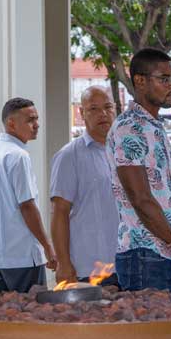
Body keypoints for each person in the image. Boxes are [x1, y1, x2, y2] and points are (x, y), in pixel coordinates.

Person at [108, 48, 171, 291]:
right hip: (142, 254)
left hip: (160, 252)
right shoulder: (130, 128)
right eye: (164, 79)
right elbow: (141, 199)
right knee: (146, 318)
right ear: (140, 81)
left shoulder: (152, 125)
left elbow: (166, 188)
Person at [0, 97, 57, 293]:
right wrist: (48, 246)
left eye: (36, 119)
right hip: (22, 256)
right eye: (30, 120)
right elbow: (27, 206)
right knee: (31, 311)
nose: (37, 125)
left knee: (2, 311)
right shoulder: (18, 156)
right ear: (11, 123)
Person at [50, 86, 120, 287]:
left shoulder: (124, 153)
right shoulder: (69, 156)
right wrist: (63, 263)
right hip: (89, 268)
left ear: (115, 109)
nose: (103, 114)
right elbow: (59, 212)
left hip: (127, 265)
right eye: (94, 109)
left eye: (108, 107)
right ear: (82, 113)